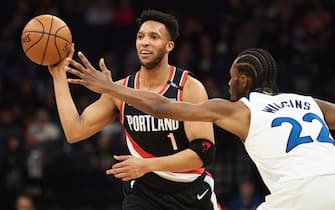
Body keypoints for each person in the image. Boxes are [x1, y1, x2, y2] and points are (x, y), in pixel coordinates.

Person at [66, 47, 335, 210]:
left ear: (243, 80)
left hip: (298, 193)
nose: (229, 85)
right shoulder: (310, 103)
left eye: (231, 79)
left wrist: (110, 87)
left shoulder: (240, 109)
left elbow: (162, 108)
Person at [48, 9, 220, 210]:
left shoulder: (188, 88)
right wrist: (59, 77)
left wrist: (146, 165)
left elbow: (203, 153)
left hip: (190, 193)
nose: (145, 42)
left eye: (154, 37)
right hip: (143, 195)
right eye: (140, 36)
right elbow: (74, 131)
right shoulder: (120, 91)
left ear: (169, 46)